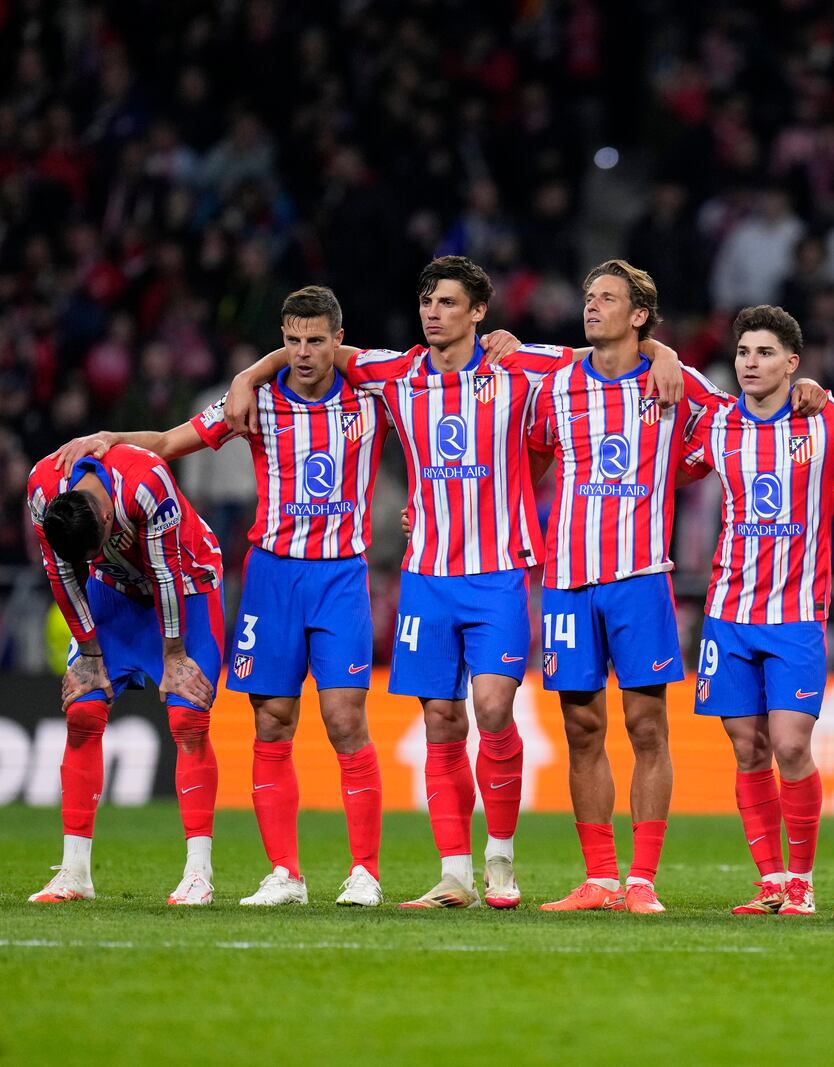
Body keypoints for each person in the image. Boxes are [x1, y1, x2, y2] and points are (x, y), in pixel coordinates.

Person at [223, 256, 682, 909]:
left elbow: (609, 349)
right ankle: (456, 873)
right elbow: (316, 348)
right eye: (426, 302)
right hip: (426, 578)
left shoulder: (518, 365)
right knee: (441, 717)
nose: (431, 312)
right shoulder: (397, 372)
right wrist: (250, 373)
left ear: (478, 312)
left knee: (494, 708)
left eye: (445, 302)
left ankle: (501, 859)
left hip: (498, 571)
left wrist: (662, 353)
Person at [56, 286, 390, 906]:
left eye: (316, 340)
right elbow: (168, 441)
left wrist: (251, 365)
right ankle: (285, 873)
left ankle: (364, 872)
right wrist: (108, 438)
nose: (303, 352)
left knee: (346, 721)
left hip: (341, 574)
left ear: (338, 340)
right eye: (291, 340)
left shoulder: (373, 392)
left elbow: (434, 397)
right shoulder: (255, 402)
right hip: (270, 575)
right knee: (271, 722)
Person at [532, 263, 823, 914]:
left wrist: (806, 395)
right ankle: (600, 877)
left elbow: (747, 419)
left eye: (606, 298)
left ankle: (642, 879)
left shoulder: (681, 382)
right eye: (587, 297)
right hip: (568, 580)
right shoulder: (553, 378)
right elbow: (520, 445)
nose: (591, 306)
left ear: (639, 314)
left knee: (645, 726)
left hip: (640, 577)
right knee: (581, 727)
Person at [677, 304, 834, 916]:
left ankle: (802, 881)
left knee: (789, 744)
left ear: (792, 364)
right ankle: (770, 880)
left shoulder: (828, 415)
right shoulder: (715, 425)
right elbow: (667, 471)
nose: (750, 364)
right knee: (746, 748)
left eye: (764, 354)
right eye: (742, 353)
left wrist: (827, 500)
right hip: (729, 609)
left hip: (795, 614)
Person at [25, 437, 223, 905]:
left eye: (94, 549)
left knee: (188, 716)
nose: (89, 558)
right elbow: (61, 575)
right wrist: (90, 655)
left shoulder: (146, 482)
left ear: (109, 518)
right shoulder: (41, 490)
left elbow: (168, 572)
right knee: (82, 712)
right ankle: (74, 874)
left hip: (186, 587)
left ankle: (199, 874)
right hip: (114, 593)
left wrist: (175, 658)